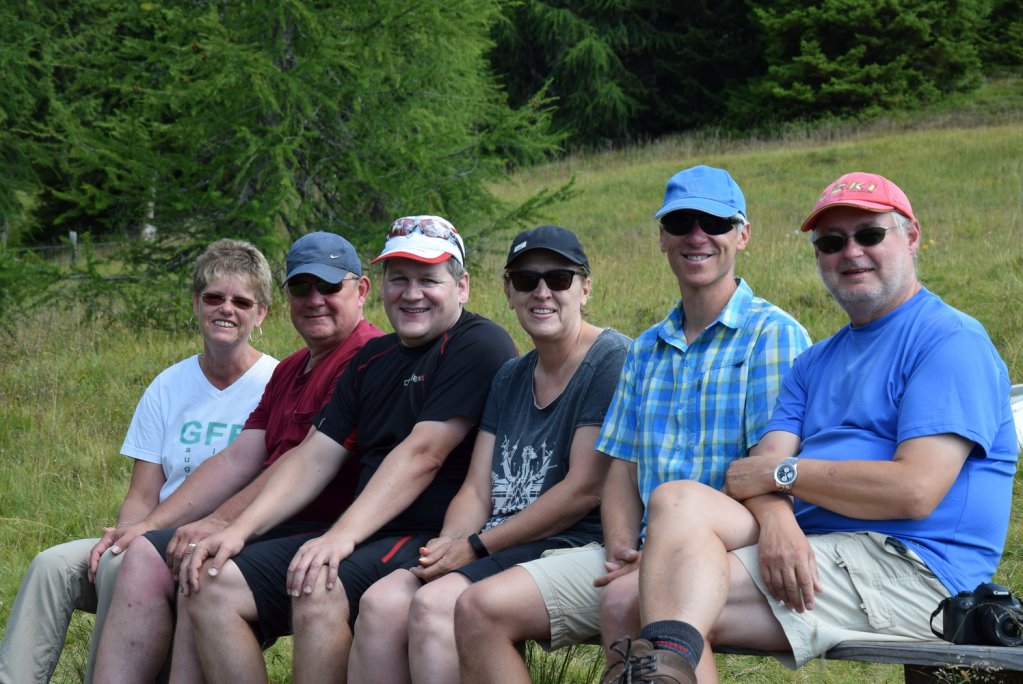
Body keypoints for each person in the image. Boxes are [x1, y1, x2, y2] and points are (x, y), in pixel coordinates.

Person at [606, 172, 1019, 684]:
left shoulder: (949, 340)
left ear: (911, 237)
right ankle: (666, 664)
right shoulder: (815, 362)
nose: (851, 252)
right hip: (823, 546)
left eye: (870, 235)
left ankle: (663, 664)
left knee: (651, 599)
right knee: (674, 499)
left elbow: (914, 489)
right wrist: (779, 519)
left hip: (914, 568)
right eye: (831, 242)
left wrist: (784, 475)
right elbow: (749, 476)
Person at [455, 166, 811, 683]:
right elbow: (621, 468)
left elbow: (767, 470)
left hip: (737, 537)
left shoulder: (771, 334)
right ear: (663, 237)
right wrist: (624, 551)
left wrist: (661, 557)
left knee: (633, 597)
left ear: (743, 234)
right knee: (477, 608)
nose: (697, 236)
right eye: (681, 223)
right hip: (642, 545)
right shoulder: (646, 349)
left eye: (714, 223)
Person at [180, 215, 517, 683]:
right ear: (381, 287)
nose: (412, 293)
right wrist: (238, 530)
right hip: (371, 533)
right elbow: (313, 456)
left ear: (461, 287)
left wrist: (341, 537)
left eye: (428, 280)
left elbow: (424, 454)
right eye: (399, 279)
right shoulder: (371, 359)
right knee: (212, 583)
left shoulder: (477, 343)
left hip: (433, 534)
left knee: (317, 583)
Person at [91, 231, 384, 682]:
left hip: (327, 528)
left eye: (329, 286)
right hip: (279, 525)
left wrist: (223, 522)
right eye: (301, 288)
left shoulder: (365, 356)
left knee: (204, 569)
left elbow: (303, 461)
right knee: (149, 553)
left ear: (361, 290)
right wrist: (150, 524)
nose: (315, 300)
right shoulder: (291, 369)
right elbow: (236, 459)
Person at [348, 225, 630, 684]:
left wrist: (475, 546)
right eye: (525, 280)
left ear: (585, 289)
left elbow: (583, 490)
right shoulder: (511, 376)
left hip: (572, 541)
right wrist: (448, 545)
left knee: (435, 606)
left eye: (559, 279)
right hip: (501, 541)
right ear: (508, 291)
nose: (542, 292)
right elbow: (477, 489)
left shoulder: (610, 359)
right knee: (381, 604)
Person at [0, 238, 279, 684]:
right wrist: (125, 534)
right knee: (51, 567)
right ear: (196, 304)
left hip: (225, 542)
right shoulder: (168, 385)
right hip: (156, 532)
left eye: (241, 301)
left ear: (260, 313)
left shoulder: (275, 382)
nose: (226, 309)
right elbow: (143, 493)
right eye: (213, 297)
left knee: (122, 566)